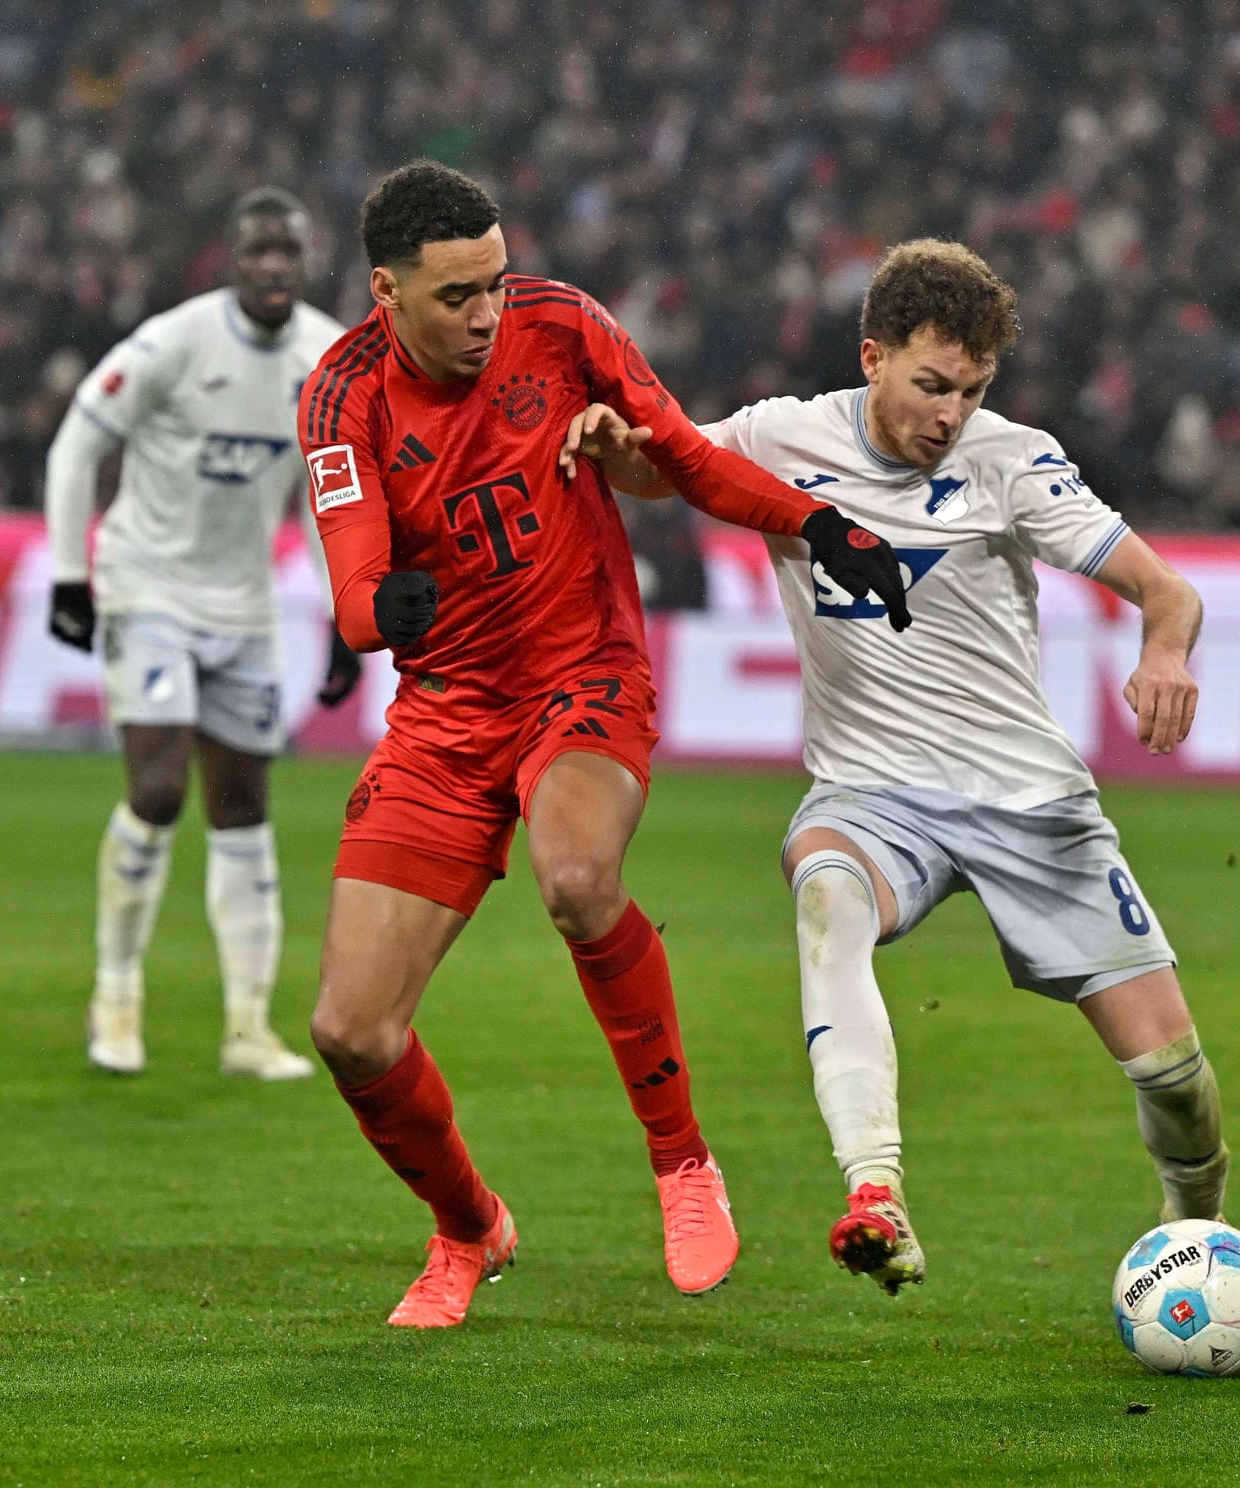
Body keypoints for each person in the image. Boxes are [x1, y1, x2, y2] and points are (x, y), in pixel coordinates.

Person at [587, 239, 1240, 1342]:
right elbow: (657, 469)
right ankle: (876, 1192)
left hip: (1027, 805)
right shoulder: (781, 436)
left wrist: (1164, 652)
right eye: (931, 384)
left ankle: (1197, 1224)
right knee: (827, 897)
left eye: (971, 389)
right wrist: (609, 440)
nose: (951, 413)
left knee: (1173, 1078)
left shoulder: (1013, 462)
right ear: (873, 358)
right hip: (872, 795)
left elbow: (1167, 590)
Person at [297, 160, 909, 1327]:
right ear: (386, 292)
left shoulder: (566, 325)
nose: (486, 313)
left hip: (582, 674)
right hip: (447, 712)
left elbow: (684, 458)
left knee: (577, 877)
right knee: (351, 1031)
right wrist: (387, 610)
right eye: (456, 295)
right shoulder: (340, 398)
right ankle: (468, 1226)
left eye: (495, 282)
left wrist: (822, 525)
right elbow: (357, 594)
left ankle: (682, 1161)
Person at [45, 187, 363, 1081]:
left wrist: (345, 612)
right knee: (157, 791)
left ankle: (247, 1030)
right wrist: (69, 574)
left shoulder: (327, 359)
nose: (274, 267)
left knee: (243, 808)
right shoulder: (174, 342)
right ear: (231, 259)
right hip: (148, 587)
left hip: (246, 609)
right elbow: (76, 444)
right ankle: (116, 997)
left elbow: (325, 496)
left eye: (288, 252)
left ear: (307, 261)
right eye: (258, 250)